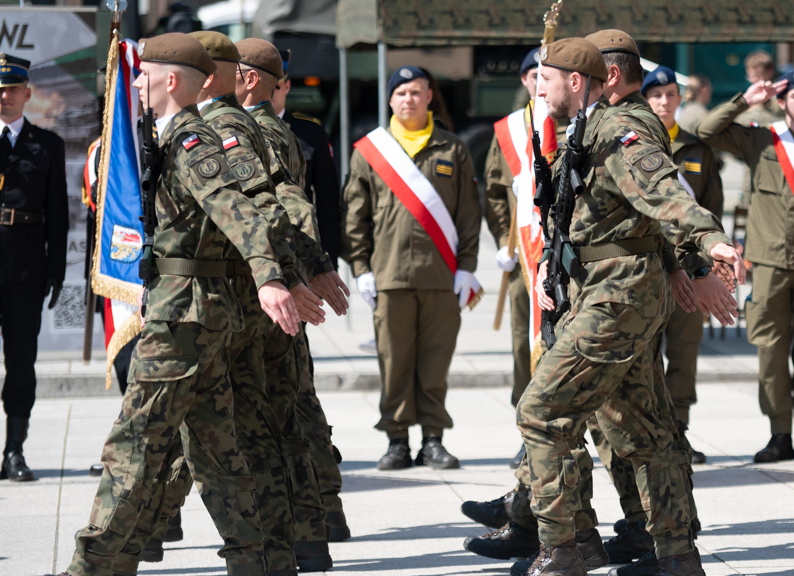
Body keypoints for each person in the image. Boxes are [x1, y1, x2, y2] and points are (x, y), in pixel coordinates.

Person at [55, 33, 304, 576]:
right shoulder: (172, 137)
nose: (135, 85)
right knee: (215, 451)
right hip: (198, 314)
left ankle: (94, 565)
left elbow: (235, 206)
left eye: (143, 76)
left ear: (170, 81)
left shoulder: (193, 143)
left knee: (133, 443)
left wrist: (270, 278)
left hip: (182, 320)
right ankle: (260, 559)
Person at [516, 37, 743, 576]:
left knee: (542, 412)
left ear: (579, 81)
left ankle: (565, 548)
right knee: (644, 428)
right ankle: (676, 555)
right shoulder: (588, 126)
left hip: (618, 294)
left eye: (546, 78)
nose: (538, 86)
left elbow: (664, 191)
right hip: (602, 287)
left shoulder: (621, 132)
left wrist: (706, 241)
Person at [698, 69, 794, 463]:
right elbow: (707, 130)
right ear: (783, 102)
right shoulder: (762, 139)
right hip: (767, 265)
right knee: (770, 351)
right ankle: (778, 434)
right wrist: (746, 99)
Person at [234, 38, 351, 556]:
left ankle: (313, 522)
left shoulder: (266, 132)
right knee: (288, 406)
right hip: (272, 283)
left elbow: (295, 208)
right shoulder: (250, 128)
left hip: (273, 287)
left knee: (282, 408)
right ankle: (315, 523)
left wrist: (311, 271)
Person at [342, 65, 481, 471]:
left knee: (435, 362)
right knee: (394, 360)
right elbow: (355, 216)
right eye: (401, 92)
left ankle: (433, 439)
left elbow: (469, 215)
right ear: (390, 99)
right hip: (388, 277)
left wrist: (467, 268)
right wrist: (360, 268)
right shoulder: (370, 151)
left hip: (441, 278)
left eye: (417, 92)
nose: (409, 99)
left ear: (429, 97)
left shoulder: (453, 149)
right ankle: (397, 440)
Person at [0, 53, 68, 484]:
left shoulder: (47, 144)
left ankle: (15, 451)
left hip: (27, 263)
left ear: (28, 94)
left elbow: (58, 214)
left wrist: (57, 269)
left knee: (22, 361)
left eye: (10, 89)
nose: (1, 96)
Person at [641, 65, 724, 462]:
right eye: (655, 96)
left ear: (680, 99)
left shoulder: (697, 151)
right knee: (646, 354)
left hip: (690, 268)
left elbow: (714, 209)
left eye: (670, 95)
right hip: (648, 270)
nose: (663, 102)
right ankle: (652, 433)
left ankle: (679, 429)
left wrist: (707, 264)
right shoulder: (635, 147)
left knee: (685, 351)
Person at [483, 47, 555, 467]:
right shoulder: (508, 129)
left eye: (547, 76)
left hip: (564, 256)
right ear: (525, 81)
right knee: (521, 345)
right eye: (533, 76)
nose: (539, 83)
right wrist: (502, 241)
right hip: (523, 257)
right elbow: (496, 189)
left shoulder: (567, 123)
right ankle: (527, 432)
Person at [270, 53, 342, 268]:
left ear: (287, 86)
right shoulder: (234, 130)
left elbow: (327, 201)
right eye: (265, 86)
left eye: (277, 86)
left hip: (298, 250)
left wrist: (328, 262)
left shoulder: (309, 132)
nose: (270, 93)